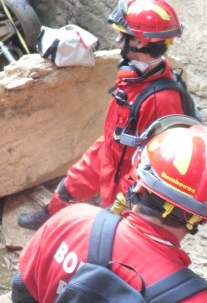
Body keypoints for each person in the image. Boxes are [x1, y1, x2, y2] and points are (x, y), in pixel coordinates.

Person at [18, 0, 186, 230]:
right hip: (108, 150)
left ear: (140, 42)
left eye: (123, 35)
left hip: (126, 173)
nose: (118, 40)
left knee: (110, 226)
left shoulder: (161, 100)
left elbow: (154, 164)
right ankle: (49, 215)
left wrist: (124, 201)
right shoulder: (136, 77)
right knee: (69, 186)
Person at [12, 120, 207, 303]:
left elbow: (21, 286)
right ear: (201, 219)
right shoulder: (194, 298)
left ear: (138, 182)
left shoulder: (72, 219)